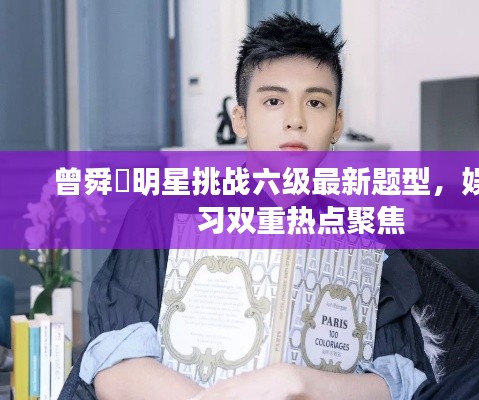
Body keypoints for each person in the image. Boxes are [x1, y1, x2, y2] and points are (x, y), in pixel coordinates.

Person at [69, 13, 435, 400]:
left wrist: (297, 383)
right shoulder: (162, 214)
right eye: (274, 101)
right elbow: (116, 368)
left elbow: (399, 383)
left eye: (315, 102)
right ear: (240, 119)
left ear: (336, 123)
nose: (295, 120)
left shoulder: (361, 242)